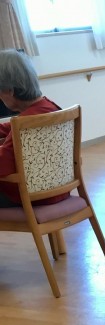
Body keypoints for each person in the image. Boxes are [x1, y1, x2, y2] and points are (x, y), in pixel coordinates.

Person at [0, 49, 67, 208]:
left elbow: (3, 165)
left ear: (10, 90)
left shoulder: (25, 123)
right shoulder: (48, 108)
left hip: (33, 196)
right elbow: (11, 127)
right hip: (58, 189)